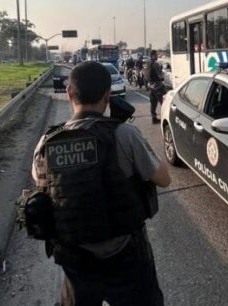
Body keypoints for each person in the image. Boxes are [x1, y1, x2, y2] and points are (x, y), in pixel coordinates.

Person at [31, 61, 171, 306]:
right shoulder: (124, 134)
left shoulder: (47, 142)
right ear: (108, 96)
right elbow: (164, 179)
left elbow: (42, 183)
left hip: (74, 258)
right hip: (125, 254)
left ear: (69, 93)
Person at [146, 50, 166, 124]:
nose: (157, 56)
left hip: (150, 87)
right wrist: (163, 76)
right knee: (164, 103)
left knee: (153, 104)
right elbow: (160, 76)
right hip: (158, 87)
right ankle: (165, 119)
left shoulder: (147, 64)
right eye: (156, 55)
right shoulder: (156, 64)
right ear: (153, 56)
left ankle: (154, 118)